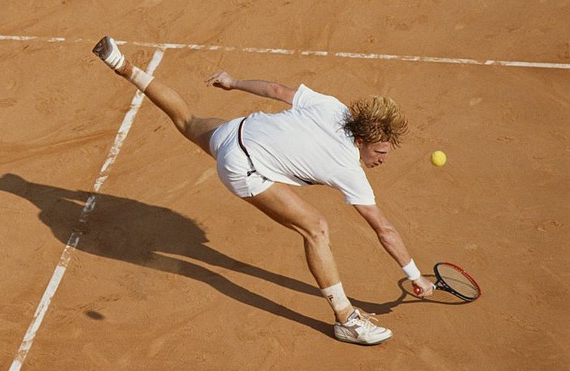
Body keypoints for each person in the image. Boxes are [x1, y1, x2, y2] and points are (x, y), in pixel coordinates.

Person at [92, 36, 434, 345]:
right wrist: (415, 275)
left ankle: (123, 65)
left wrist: (234, 82)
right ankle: (346, 319)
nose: (382, 160)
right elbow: (383, 229)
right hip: (242, 166)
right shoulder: (349, 168)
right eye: (381, 152)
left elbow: (275, 91)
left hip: (238, 131)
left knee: (188, 121)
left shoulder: (334, 107)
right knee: (315, 228)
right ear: (362, 141)